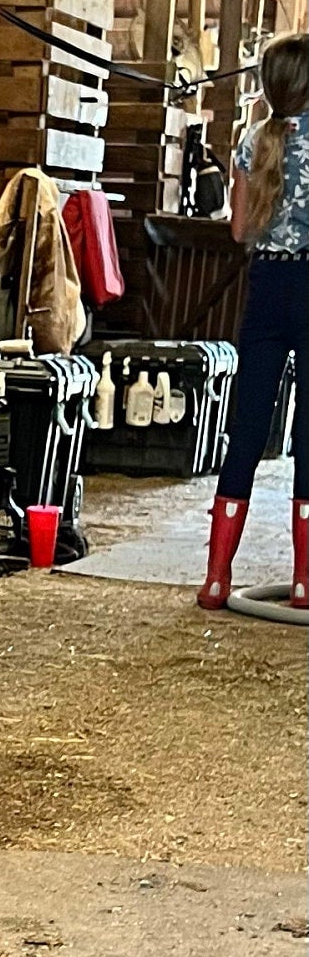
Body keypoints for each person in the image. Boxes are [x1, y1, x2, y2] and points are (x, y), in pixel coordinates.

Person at [198, 31, 309, 609]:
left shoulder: (253, 142)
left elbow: (239, 231)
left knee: (247, 429)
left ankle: (216, 578)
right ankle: (304, 582)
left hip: (267, 288)